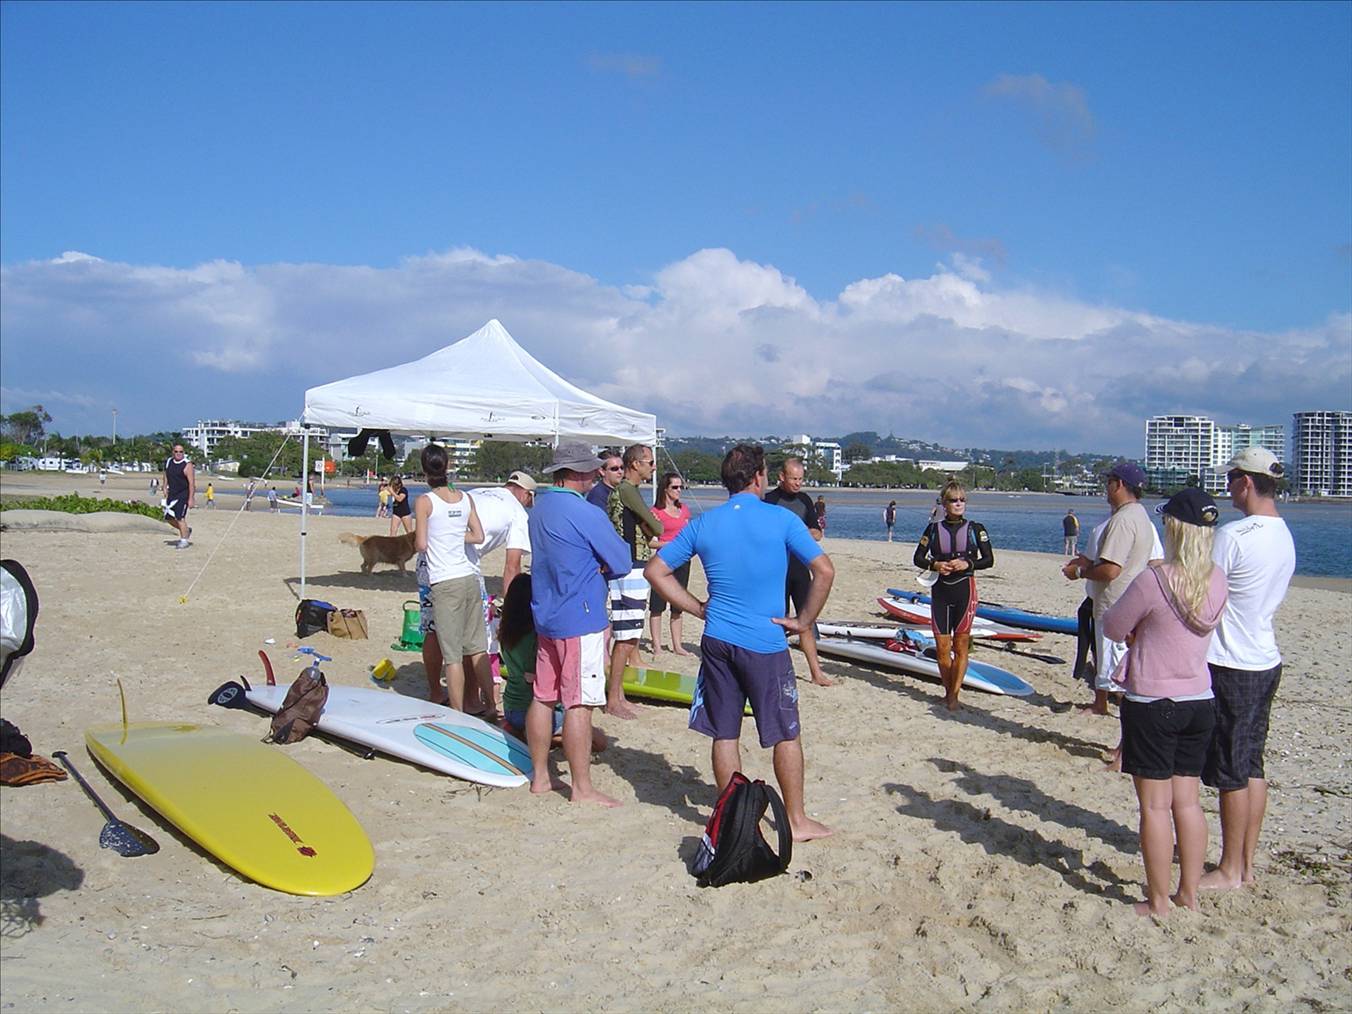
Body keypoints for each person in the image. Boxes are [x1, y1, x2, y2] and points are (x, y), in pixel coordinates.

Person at [645, 443, 834, 842]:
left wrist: (697, 608)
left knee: (725, 731)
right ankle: (795, 820)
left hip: (718, 638)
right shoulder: (780, 519)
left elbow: (656, 571)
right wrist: (803, 621)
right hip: (764, 643)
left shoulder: (704, 523)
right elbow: (824, 571)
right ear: (759, 477)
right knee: (785, 732)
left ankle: (735, 817)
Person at [1103, 488, 1227, 917]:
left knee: (1155, 807)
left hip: (1153, 700)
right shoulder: (1217, 579)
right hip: (1199, 698)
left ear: (1174, 529)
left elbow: (1113, 626)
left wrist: (1140, 629)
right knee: (1188, 803)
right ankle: (1188, 892)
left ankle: (1158, 900)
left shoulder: (1154, 580)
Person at [1199, 448, 1296, 892]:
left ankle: (1230, 868)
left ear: (1247, 482)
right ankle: (1245, 862)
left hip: (1233, 660)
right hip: (1263, 657)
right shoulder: (1282, 533)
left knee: (1232, 770)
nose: (1228, 488)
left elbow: (1205, 597)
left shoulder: (1234, 535)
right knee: (1252, 763)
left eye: (1232, 479)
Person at [527, 442, 631, 805]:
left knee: (543, 696)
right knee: (580, 703)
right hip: (580, 616)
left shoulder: (540, 507)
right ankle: (581, 788)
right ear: (578, 473)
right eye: (592, 468)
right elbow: (621, 560)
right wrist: (599, 565)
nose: (598, 474)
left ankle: (541, 776)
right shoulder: (586, 512)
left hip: (547, 613)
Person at [421, 471, 536, 710]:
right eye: (530, 500)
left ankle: (435, 692)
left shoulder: (477, 493)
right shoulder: (517, 512)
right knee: (473, 639)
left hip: (429, 561)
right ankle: (472, 700)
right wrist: (512, 610)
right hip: (462, 567)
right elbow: (512, 566)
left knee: (432, 629)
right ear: (526, 494)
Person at [1062, 462, 1160, 717]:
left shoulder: (1123, 520)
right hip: (1131, 601)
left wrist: (1078, 572)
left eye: (1109, 483)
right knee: (1113, 662)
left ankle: (1124, 728)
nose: (1106, 488)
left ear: (1120, 485)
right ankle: (1102, 705)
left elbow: (1110, 570)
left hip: (1116, 604)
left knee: (1116, 667)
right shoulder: (1141, 516)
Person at [414, 444, 487, 714]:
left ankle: (456, 712)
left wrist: (441, 536)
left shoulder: (425, 501)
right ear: (447, 467)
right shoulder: (465, 497)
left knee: (452, 655)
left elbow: (421, 544)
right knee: (476, 647)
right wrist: (456, 535)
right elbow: (478, 536)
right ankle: (489, 704)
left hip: (444, 580)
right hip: (468, 576)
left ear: (424, 470)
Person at [498, 573, 605, 752]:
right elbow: (533, 678)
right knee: (598, 740)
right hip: (533, 709)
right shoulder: (536, 638)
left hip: (511, 707)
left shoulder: (505, 634)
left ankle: (526, 733)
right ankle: (547, 737)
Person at [913, 480, 994, 711]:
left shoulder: (976, 529)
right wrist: (936, 565)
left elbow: (989, 560)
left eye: (962, 500)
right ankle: (948, 692)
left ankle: (953, 696)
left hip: (964, 591)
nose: (958, 504)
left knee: (960, 646)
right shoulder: (932, 529)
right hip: (941, 591)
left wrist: (967, 563)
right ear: (944, 503)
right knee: (942, 649)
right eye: (953, 500)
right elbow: (918, 558)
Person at [604, 443, 662, 719]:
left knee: (628, 634)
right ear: (636, 464)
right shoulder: (628, 490)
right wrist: (651, 527)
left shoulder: (625, 491)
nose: (653, 467)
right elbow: (657, 526)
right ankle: (614, 698)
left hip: (628, 565)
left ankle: (618, 695)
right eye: (649, 462)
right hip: (629, 567)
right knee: (626, 637)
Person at [764, 457, 832, 687]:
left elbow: (817, 533)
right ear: (782, 477)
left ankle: (816, 672)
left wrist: (798, 532)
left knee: (806, 620)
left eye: (801, 479)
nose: (797, 483)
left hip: (800, 568)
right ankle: (775, 670)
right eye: (793, 478)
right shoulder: (770, 500)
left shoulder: (804, 500)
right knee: (777, 620)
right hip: (776, 569)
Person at [648, 472, 694, 656]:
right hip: (663, 562)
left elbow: (689, 534)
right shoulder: (655, 512)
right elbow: (650, 542)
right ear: (665, 489)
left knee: (678, 606)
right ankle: (657, 645)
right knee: (657, 606)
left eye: (681, 487)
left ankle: (677, 645)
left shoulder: (684, 510)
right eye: (675, 487)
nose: (678, 490)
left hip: (683, 561)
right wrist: (669, 545)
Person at [162, 444, 195, 549]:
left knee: (180, 517)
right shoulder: (169, 462)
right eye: (176, 451)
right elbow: (166, 474)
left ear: (183, 453)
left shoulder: (187, 465)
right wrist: (164, 486)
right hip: (172, 494)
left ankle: (184, 540)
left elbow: (191, 483)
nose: (178, 454)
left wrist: (191, 498)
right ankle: (186, 530)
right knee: (169, 518)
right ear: (173, 452)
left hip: (183, 494)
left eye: (181, 452)